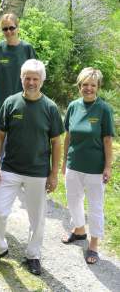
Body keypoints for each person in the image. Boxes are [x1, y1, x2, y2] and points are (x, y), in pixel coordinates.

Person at [0, 59, 64, 275]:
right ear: (21, 78)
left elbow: (56, 142)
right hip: (9, 168)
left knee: (37, 217)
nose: (31, 82)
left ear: (42, 81)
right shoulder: (11, 103)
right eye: (27, 77)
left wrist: (54, 174)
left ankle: (33, 255)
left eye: (35, 78)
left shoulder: (50, 108)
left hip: (38, 172)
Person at [61, 68, 114, 265]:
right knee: (73, 200)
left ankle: (93, 244)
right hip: (74, 164)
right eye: (85, 84)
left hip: (95, 168)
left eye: (92, 85)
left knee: (95, 207)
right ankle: (79, 230)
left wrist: (108, 167)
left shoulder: (104, 109)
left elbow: (108, 141)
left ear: (98, 87)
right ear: (79, 86)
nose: (88, 88)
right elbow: (68, 136)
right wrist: (64, 162)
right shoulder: (73, 106)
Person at [0, 13, 36, 114]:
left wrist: (34, 96)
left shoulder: (27, 48)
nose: (8, 31)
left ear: (17, 28)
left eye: (11, 28)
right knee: (2, 129)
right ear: (1, 30)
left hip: (23, 99)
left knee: (21, 128)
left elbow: (36, 75)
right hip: (1, 100)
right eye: (5, 29)